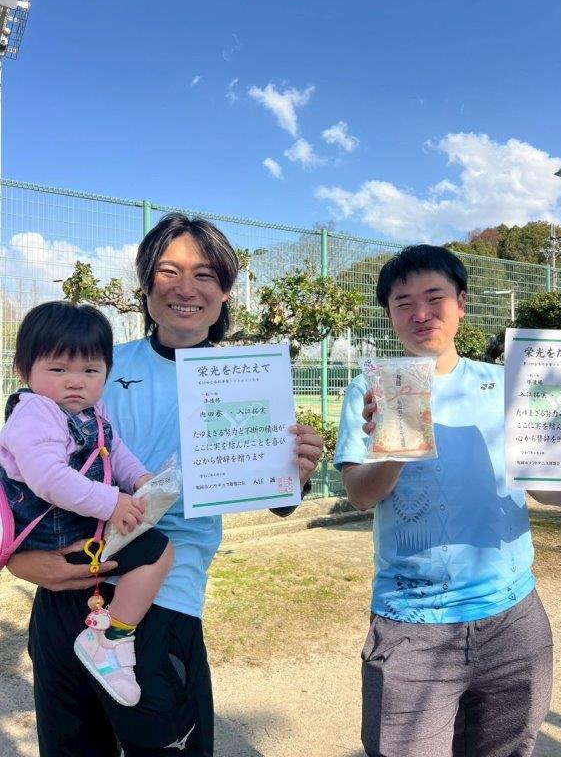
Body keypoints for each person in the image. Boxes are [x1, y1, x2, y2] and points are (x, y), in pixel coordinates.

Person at [7, 213, 324, 757]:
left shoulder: (248, 380)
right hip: (63, 590)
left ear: (225, 291)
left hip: (164, 600)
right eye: (168, 271)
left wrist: (294, 473)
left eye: (204, 275)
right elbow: (24, 466)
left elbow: (273, 497)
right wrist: (19, 561)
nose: (185, 288)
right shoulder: (95, 366)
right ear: (146, 283)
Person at [333, 244, 561, 757]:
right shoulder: (369, 388)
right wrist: (395, 443)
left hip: (512, 617)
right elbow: (359, 495)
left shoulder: (506, 384)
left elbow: (551, 492)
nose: (421, 314)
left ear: (461, 303)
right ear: (389, 314)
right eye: (403, 303)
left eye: (434, 297)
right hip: (410, 621)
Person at [0, 301, 173, 708]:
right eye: (59, 370)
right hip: (52, 535)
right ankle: (110, 641)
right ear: (25, 370)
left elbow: (116, 451)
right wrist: (112, 501)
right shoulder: (36, 413)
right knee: (157, 551)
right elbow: (48, 478)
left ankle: (109, 637)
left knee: (153, 550)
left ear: (106, 373)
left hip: (79, 525)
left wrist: (142, 480)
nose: (75, 382)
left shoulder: (93, 411)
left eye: (90, 371)